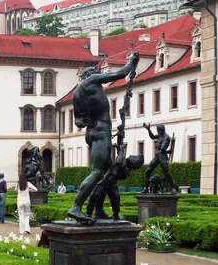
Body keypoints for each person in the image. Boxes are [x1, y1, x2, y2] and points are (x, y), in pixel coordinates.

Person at [67, 52, 140, 224]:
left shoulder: (78, 93)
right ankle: (76, 207)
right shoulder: (91, 82)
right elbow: (119, 74)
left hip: (93, 133)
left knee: (109, 177)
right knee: (98, 172)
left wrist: (83, 120)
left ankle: (99, 210)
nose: (100, 78)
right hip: (101, 132)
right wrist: (132, 62)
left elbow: (78, 121)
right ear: (92, 76)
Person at [142, 123, 178, 194]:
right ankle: (146, 188)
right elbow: (152, 137)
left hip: (162, 157)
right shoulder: (160, 135)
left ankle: (172, 188)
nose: (157, 131)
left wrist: (167, 152)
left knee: (166, 173)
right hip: (157, 157)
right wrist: (149, 130)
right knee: (148, 171)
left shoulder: (166, 137)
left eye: (158, 130)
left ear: (161, 130)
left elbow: (162, 149)